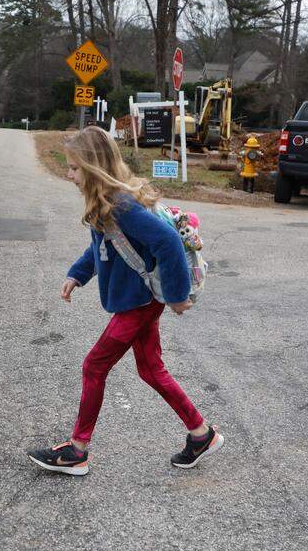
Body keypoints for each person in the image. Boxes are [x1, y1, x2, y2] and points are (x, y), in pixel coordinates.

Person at [26, 127, 223, 476]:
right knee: (150, 369)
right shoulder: (107, 202)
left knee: (94, 366)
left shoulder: (122, 205)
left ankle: (77, 450)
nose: (69, 174)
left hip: (138, 304)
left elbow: (169, 243)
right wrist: (77, 274)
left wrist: (177, 296)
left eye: (73, 168)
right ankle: (201, 434)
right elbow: (101, 245)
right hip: (138, 301)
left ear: (93, 166)